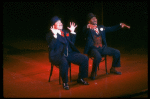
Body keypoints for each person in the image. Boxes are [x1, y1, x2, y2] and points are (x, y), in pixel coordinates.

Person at [46, 16, 89, 90]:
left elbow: (72, 43)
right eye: (58, 22)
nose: (60, 23)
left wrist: (72, 32)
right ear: (53, 25)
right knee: (64, 62)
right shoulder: (49, 35)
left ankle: (81, 78)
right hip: (58, 55)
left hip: (69, 53)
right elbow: (52, 47)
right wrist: (55, 36)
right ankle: (65, 82)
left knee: (84, 58)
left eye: (61, 22)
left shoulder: (65, 32)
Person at [83, 13, 130, 80]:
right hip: (93, 49)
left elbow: (111, 29)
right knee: (98, 57)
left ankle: (113, 68)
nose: (95, 19)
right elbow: (84, 30)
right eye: (92, 18)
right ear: (89, 21)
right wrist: (88, 26)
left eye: (95, 18)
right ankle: (93, 72)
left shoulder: (101, 27)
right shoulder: (87, 29)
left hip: (102, 48)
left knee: (117, 52)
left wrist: (119, 25)